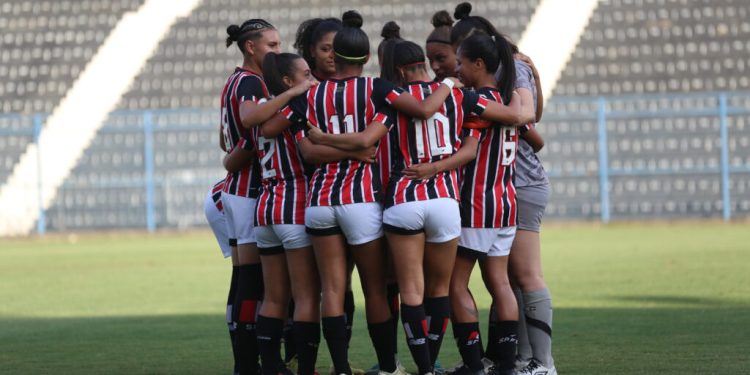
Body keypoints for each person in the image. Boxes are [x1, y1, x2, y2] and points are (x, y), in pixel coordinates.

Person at [262, 10, 464, 375]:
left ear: (332, 57)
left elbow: (273, 131)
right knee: (374, 289)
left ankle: (340, 369)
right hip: (360, 200)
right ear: (368, 58)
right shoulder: (376, 88)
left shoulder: (310, 93)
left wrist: (320, 135)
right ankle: (388, 366)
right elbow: (416, 111)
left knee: (332, 290)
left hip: (319, 202)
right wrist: (449, 83)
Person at [306, 36, 522, 375]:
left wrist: (323, 138)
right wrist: (523, 92)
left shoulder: (392, 100)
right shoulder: (458, 95)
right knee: (441, 288)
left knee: (407, 291)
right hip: (446, 200)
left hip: (400, 199)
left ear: (398, 70)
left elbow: (368, 140)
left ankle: (414, 367)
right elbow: (511, 117)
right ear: (423, 63)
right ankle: (432, 365)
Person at [222, 17, 280, 375]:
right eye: (271, 45)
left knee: (242, 279)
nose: (277, 50)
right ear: (251, 47)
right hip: (247, 189)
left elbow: (223, 136)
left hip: (236, 190)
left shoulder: (233, 79)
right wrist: (234, 159)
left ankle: (245, 362)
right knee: (252, 282)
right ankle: (247, 363)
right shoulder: (250, 83)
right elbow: (248, 133)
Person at [425, 10, 456, 82]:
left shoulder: (479, 90)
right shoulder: (432, 92)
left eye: (441, 59)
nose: (434, 67)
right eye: (430, 60)